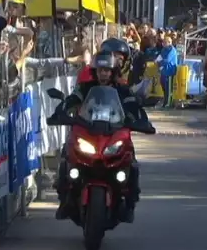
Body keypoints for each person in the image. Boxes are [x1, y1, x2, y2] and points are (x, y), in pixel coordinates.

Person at [54, 51, 147, 222]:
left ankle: (130, 202)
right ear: (95, 71)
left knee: (131, 162)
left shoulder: (121, 89)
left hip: (114, 131)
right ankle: (64, 198)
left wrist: (139, 117)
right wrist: (63, 109)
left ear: (112, 72)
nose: (103, 74)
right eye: (100, 70)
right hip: (88, 129)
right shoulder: (85, 87)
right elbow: (74, 98)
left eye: (107, 70)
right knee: (66, 155)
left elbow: (131, 103)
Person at [156, 36, 178, 108]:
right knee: (164, 88)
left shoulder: (172, 50)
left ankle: (168, 104)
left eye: (165, 42)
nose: (163, 43)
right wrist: (157, 62)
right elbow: (160, 57)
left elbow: (167, 60)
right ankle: (165, 102)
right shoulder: (163, 50)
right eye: (163, 42)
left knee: (169, 89)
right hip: (163, 72)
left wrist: (160, 63)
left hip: (169, 71)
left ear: (169, 42)